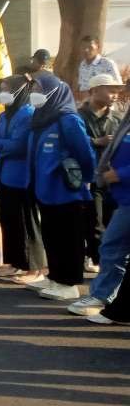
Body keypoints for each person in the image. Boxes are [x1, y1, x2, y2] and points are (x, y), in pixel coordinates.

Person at [25, 72, 97, 300]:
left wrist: (84, 179)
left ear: (54, 92)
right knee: (52, 235)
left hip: (65, 190)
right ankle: (55, 276)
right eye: (34, 89)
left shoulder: (68, 119)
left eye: (39, 89)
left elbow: (85, 154)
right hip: (44, 189)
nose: (35, 93)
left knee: (68, 238)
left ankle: (69, 282)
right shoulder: (41, 118)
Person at [74, 90, 130, 317]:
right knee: (114, 246)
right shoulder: (126, 119)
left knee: (112, 244)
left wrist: (121, 174)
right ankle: (106, 295)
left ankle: (102, 295)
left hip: (125, 192)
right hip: (120, 194)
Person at [0, 74, 44, 282]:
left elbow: (19, 145)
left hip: (21, 176)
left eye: (6, 89)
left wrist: (1, 145)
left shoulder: (27, 114)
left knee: (25, 221)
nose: (2, 93)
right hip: (3, 173)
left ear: (19, 91)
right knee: (8, 220)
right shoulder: (4, 115)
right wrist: (4, 144)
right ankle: (15, 262)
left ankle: (33, 269)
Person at [79, 73, 123, 271]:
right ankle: (96, 258)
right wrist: (95, 142)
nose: (114, 95)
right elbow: (73, 142)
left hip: (113, 177)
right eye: (110, 90)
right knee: (93, 221)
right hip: (89, 176)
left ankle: (104, 259)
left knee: (111, 219)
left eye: (116, 91)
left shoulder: (118, 118)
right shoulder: (78, 116)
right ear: (94, 91)